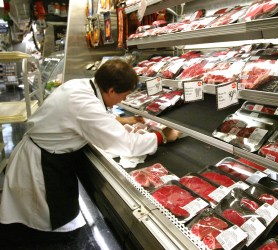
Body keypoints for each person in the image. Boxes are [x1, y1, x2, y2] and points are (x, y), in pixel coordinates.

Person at [0, 59, 180, 243]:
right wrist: (162, 136)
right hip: (42, 164)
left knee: (42, 212)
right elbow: (126, 144)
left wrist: (122, 121)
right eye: (124, 95)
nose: (124, 100)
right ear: (111, 90)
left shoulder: (80, 84)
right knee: (44, 221)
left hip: (43, 152)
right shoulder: (86, 105)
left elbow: (91, 115)